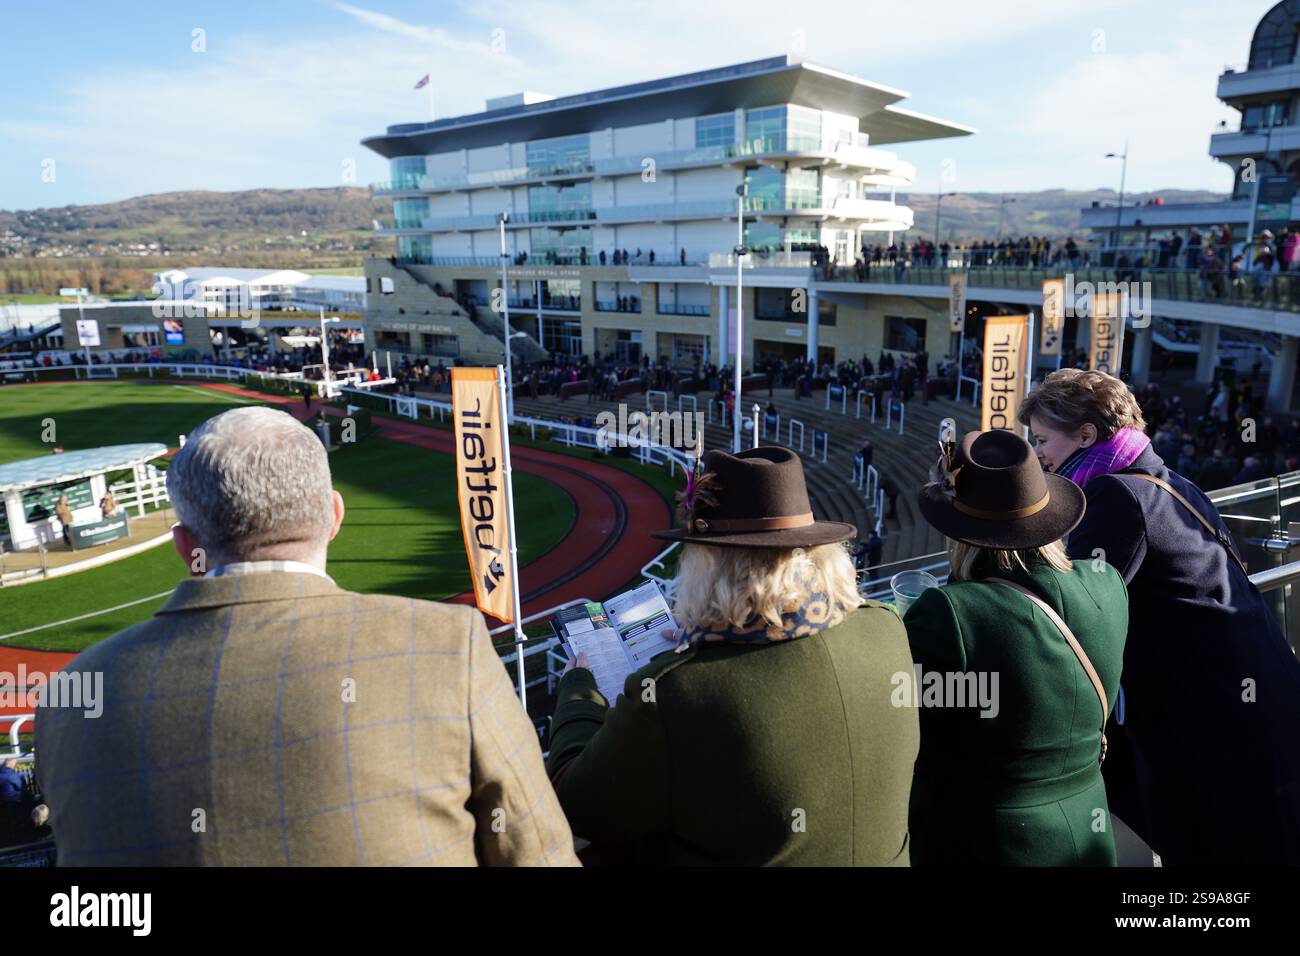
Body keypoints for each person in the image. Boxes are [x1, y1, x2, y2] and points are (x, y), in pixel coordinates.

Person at [36, 406, 578, 867]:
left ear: (184, 545)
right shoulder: (446, 645)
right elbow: (538, 852)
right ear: (334, 516)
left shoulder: (75, 692)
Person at [546, 447, 918, 865]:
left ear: (712, 566)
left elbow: (579, 806)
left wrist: (578, 691)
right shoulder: (886, 628)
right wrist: (711, 640)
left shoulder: (681, 692)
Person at [1020, 368, 1300, 865]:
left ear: (1085, 435)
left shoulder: (1115, 495)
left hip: (1213, 724)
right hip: (1258, 700)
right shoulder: (1167, 481)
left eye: (1042, 439)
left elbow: (1077, 611)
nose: (1037, 453)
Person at [904, 429, 1128, 865]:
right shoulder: (1108, 583)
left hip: (986, 843)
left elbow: (909, 729)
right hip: (1089, 831)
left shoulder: (951, 614)